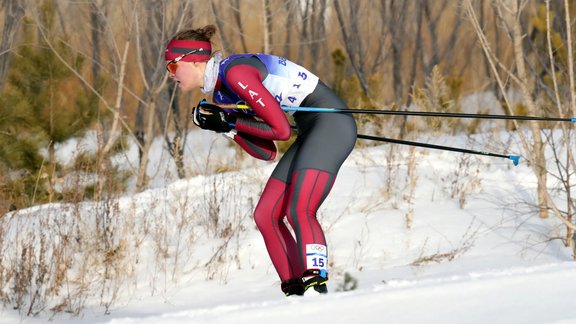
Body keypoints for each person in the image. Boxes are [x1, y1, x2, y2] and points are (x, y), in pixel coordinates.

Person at [165, 25, 357, 296]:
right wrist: (227, 128)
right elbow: (266, 152)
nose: (170, 75)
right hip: (312, 129)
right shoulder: (221, 93)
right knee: (266, 214)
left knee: (299, 210)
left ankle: (316, 283)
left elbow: (281, 131)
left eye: (173, 67)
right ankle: (295, 291)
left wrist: (230, 118)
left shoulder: (235, 74)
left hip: (331, 125)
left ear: (195, 61)